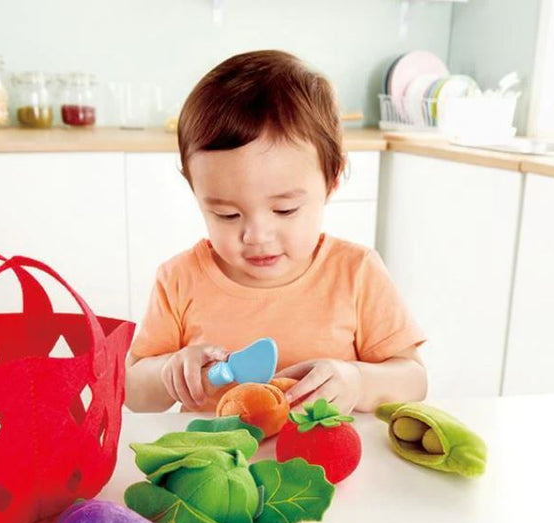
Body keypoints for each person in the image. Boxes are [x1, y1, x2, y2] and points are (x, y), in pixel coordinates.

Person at [125, 49, 427, 414]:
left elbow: (414, 379)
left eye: (284, 210)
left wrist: (357, 381)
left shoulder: (357, 272)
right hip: (214, 463)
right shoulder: (179, 279)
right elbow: (134, 392)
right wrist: (170, 374)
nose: (256, 235)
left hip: (326, 464)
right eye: (226, 214)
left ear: (331, 182)